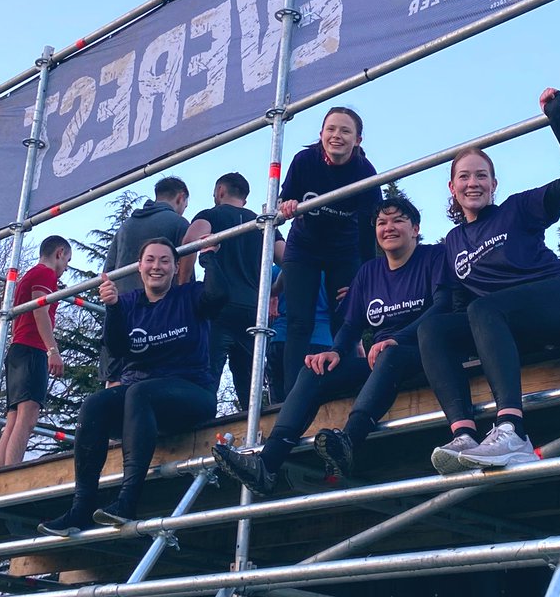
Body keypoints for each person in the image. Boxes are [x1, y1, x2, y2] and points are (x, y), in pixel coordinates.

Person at [418, 88, 560, 474]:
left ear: (494, 184)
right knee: (435, 328)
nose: (473, 183)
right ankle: (465, 434)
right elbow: (452, 309)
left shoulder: (518, 209)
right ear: (451, 188)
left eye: (481, 176)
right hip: (510, 323)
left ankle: (512, 430)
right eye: (464, 176)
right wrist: (393, 341)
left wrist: (558, 118)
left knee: (482, 308)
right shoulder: (452, 244)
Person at [213, 194, 446, 495]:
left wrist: (397, 338)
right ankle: (267, 465)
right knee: (313, 370)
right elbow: (351, 325)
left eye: (398, 221)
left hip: (424, 357)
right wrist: (334, 352)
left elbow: (443, 306)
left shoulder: (433, 258)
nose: (389, 227)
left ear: (415, 228)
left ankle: (349, 440)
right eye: (381, 222)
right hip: (381, 364)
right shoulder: (369, 273)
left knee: (390, 353)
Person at [38, 238, 226, 535]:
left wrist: (209, 258)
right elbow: (116, 347)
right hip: (140, 404)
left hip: (192, 393)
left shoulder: (189, 295)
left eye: (165, 261)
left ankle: (127, 502)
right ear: (140, 267)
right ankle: (81, 509)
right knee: (95, 404)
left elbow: (218, 297)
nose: (157, 267)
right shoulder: (127, 302)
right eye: (150, 260)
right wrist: (112, 308)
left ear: (176, 268)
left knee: (139, 392)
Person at [278, 106, 383, 394]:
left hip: (344, 251)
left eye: (345, 131)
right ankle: (291, 395)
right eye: (331, 129)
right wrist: (287, 206)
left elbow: (371, 228)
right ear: (322, 134)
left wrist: (364, 277)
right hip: (304, 248)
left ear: (358, 140)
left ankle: (345, 387)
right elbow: (285, 200)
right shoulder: (304, 161)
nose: (337, 136)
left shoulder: (364, 171)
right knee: (300, 321)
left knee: (345, 320)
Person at [178, 173, 285, 411]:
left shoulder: (210, 215)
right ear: (244, 199)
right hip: (253, 310)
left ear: (220, 191)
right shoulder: (262, 223)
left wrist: (184, 285)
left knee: (207, 376)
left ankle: (199, 429)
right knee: (250, 384)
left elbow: (189, 241)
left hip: (219, 308)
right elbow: (289, 260)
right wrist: (273, 292)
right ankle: (252, 434)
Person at [0, 235, 72, 469]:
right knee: (27, 417)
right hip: (32, 349)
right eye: (67, 260)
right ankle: (11, 474)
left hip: (19, 350)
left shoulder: (30, 275)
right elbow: (40, 311)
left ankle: (0, 473)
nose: (65, 268)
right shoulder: (45, 274)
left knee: (14, 418)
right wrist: (52, 350)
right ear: (59, 253)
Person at [101, 176, 190, 384]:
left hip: (121, 313)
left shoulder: (125, 226)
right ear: (180, 198)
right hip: (158, 318)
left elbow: (108, 271)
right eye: (185, 204)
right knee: (154, 381)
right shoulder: (178, 223)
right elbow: (184, 273)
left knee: (115, 382)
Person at [266, 266, 331, 405]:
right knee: (324, 405)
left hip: (282, 339)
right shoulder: (330, 268)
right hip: (324, 341)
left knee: (280, 407)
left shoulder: (273, 271)